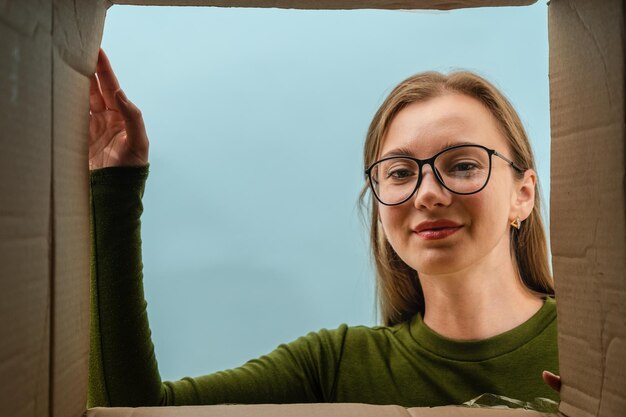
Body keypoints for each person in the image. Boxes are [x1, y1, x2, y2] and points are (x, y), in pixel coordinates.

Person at [88, 48, 561, 408]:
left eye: (461, 165)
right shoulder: (336, 366)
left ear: (523, 193)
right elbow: (135, 412)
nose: (427, 193)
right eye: (399, 172)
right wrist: (114, 185)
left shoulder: (598, 350)